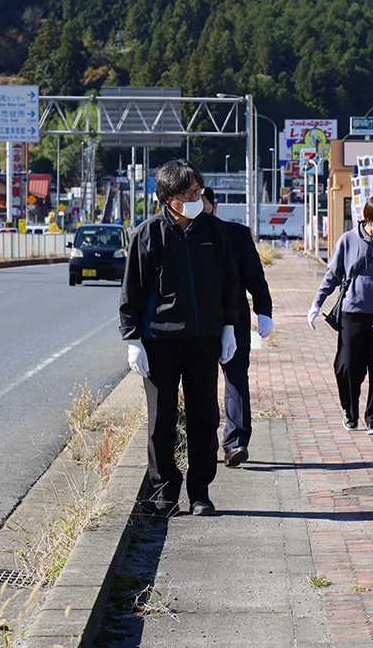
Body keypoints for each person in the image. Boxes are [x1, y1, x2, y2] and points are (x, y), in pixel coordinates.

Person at [119, 159, 240, 517]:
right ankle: (164, 493)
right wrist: (133, 339)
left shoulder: (214, 232)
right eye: (189, 193)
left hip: (204, 340)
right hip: (159, 343)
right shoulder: (147, 234)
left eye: (199, 191)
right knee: (161, 420)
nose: (196, 198)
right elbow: (132, 292)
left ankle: (200, 492)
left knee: (204, 418)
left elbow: (229, 284)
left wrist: (229, 327)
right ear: (169, 197)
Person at [308, 194, 373, 435]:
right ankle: (349, 411)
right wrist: (316, 303)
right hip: (352, 312)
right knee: (347, 365)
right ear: (367, 218)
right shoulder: (348, 240)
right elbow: (332, 275)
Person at [202, 187, 274, 468]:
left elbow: (255, 277)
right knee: (202, 384)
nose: (197, 208)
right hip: (200, 322)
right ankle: (205, 444)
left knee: (236, 380)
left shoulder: (237, 235)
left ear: (214, 206)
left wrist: (264, 312)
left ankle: (235, 443)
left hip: (237, 318)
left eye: (202, 202)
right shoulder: (182, 238)